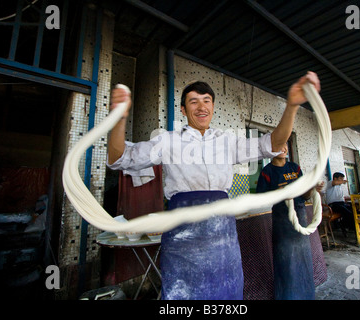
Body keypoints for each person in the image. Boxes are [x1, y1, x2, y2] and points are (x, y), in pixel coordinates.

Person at [107, 72, 321, 299]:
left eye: (206, 101)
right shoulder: (167, 140)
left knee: (227, 293)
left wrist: (292, 106)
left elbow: (272, 144)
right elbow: (120, 158)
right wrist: (119, 118)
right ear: (183, 110)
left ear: (213, 106)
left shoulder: (227, 141)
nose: (201, 107)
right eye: (193, 101)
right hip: (183, 237)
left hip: (223, 239)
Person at [256, 146, 323, 300]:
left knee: (303, 258)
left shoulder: (295, 168)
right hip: (282, 220)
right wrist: (283, 193)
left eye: (286, 144)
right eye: (279, 145)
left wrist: (313, 188)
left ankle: (307, 296)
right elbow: (261, 199)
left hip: (300, 216)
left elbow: (305, 195)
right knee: (286, 262)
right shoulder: (267, 172)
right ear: (271, 150)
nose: (284, 148)